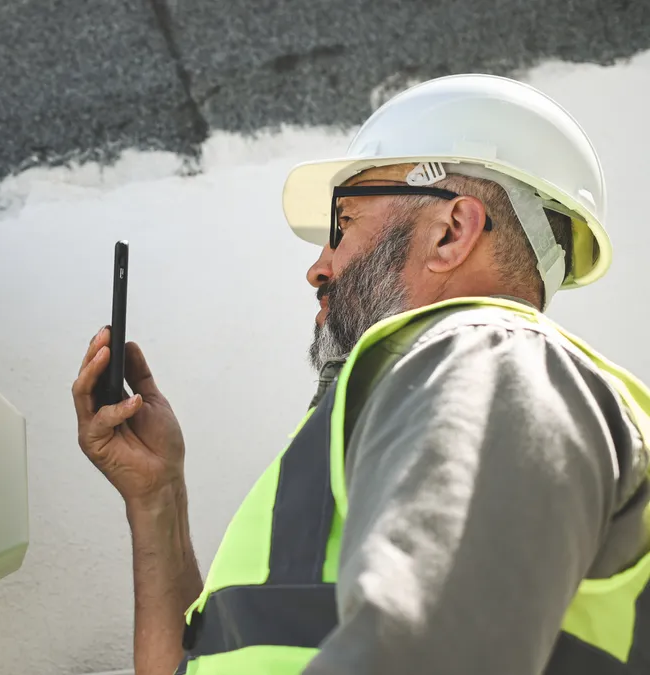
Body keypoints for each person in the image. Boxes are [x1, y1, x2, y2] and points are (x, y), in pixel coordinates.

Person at [70, 73, 650, 675]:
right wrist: (158, 497)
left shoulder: (490, 363)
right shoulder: (424, 396)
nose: (318, 269)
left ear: (451, 232)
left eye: (343, 225)